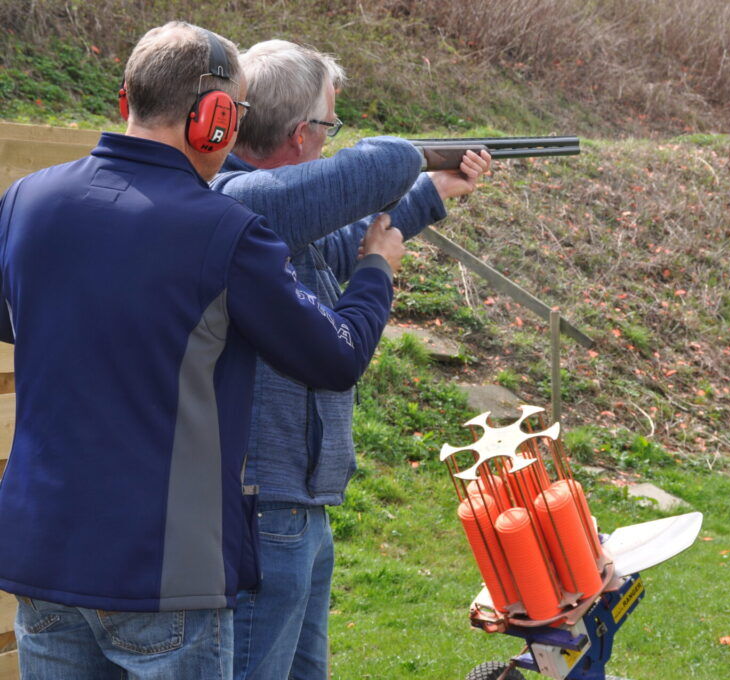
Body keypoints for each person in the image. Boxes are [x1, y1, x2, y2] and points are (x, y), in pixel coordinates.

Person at [0, 23, 404, 679]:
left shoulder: (26, 200)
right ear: (214, 121)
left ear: (126, 97)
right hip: (163, 575)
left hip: (42, 563)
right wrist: (376, 271)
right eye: (235, 115)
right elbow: (336, 358)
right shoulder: (225, 233)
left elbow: (18, 318)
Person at [209, 40, 490, 679]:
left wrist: (433, 189)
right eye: (329, 126)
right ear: (300, 134)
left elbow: (336, 240)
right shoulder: (239, 202)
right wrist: (377, 268)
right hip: (262, 502)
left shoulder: (275, 212)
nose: (331, 141)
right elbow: (356, 225)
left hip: (299, 504)